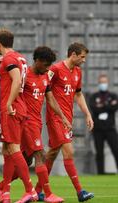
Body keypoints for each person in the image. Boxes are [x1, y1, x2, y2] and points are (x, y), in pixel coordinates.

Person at [0, 46, 71, 203]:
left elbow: (50, 99)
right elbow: (10, 80)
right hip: (26, 121)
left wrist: (62, 117)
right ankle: (46, 194)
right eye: (46, 64)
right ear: (37, 61)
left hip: (36, 122)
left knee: (26, 161)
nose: (48, 68)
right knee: (40, 154)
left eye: (50, 65)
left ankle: (1, 187)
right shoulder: (24, 74)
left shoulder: (44, 77)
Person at [41, 42, 94, 202]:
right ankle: (80, 192)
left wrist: (87, 114)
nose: (84, 60)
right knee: (69, 151)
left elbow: (78, 94)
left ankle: (37, 190)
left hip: (67, 119)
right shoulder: (55, 69)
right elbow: (44, 88)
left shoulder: (77, 72)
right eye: (82, 57)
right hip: (56, 118)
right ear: (73, 55)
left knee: (51, 153)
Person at [0, 28, 37, 203]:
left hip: (12, 108)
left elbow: (17, 80)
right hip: (19, 107)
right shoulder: (18, 58)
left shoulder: (10, 59)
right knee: (6, 149)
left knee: (13, 149)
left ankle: (30, 190)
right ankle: (5, 193)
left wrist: (9, 103)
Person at [89, 74, 118, 174]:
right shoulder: (94, 96)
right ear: (99, 83)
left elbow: (115, 108)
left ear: (107, 83)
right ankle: (100, 173)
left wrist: (102, 106)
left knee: (116, 150)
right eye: (101, 82)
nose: (103, 84)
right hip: (98, 129)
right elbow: (94, 108)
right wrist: (108, 105)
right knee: (99, 153)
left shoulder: (113, 95)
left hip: (110, 128)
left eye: (104, 82)